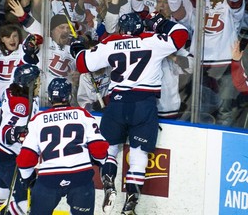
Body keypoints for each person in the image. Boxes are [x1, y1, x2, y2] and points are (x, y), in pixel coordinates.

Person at [71, 12, 188, 215]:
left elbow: (82, 64)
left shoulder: (110, 42)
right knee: (138, 155)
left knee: (110, 149)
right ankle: (130, 203)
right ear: (141, 28)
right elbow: (181, 35)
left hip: (117, 104)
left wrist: (78, 50)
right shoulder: (152, 40)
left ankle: (109, 184)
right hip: (144, 104)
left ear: (122, 30)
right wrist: (160, 21)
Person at [16, 77, 109, 215]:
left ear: (49, 97)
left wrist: (28, 180)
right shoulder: (82, 114)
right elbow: (99, 149)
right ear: (70, 96)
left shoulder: (38, 119)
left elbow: (25, 160)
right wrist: (100, 161)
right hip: (80, 178)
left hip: (49, 180)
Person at [0, 64, 41, 215]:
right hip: (8, 154)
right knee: (23, 204)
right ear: (29, 84)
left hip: (1, 151)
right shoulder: (21, 104)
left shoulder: (15, 91)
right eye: (37, 81)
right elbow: (8, 130)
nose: (39, 83)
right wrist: (17, 133)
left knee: (2, 190)